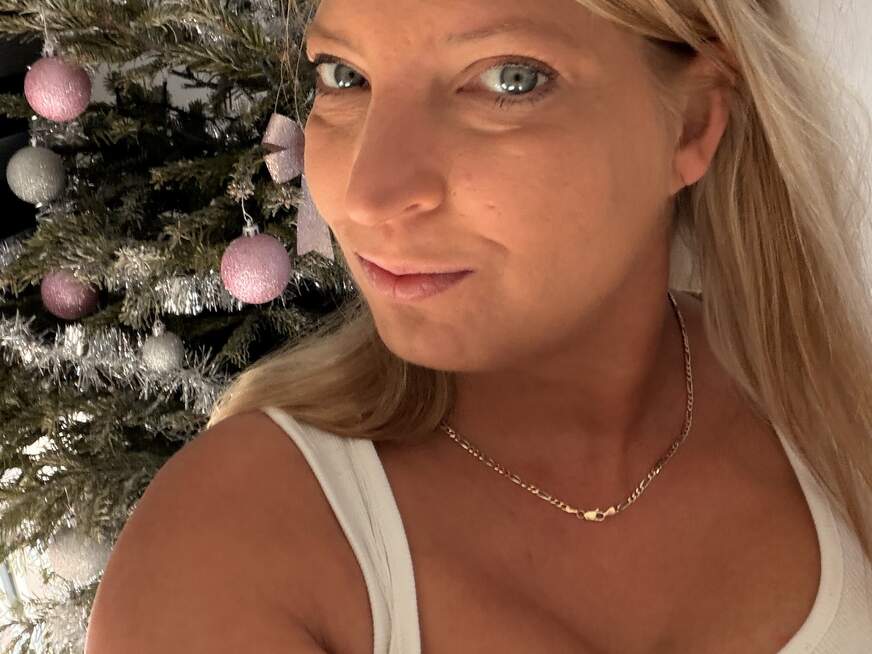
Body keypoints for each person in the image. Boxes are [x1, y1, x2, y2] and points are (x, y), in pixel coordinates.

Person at [85, 0, 872, 652]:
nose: (370, 195)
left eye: (509, 79)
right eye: (345, 76)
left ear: (692, 124)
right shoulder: (229, 548)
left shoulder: (837, 425)